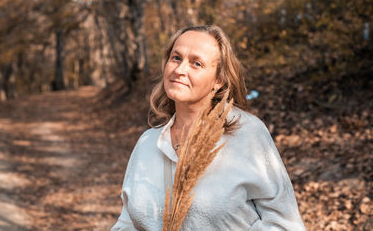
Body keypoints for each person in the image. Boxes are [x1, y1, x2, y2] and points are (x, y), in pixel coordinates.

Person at [111, 25, 306, 230]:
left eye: (196, 63)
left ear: (218, 80)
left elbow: (285, 224)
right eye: (176, 58)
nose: (180, 70)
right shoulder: (147, 143)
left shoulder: (248, 134)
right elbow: (127, 223)